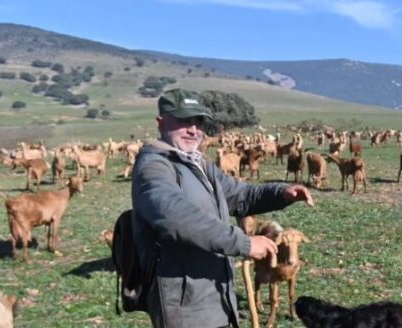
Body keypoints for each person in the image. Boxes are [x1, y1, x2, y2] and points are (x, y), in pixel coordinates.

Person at [131, 88, 314, 328]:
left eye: (198, 122)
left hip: (213, 291)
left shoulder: (198, 164)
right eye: (184, 121)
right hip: (184, 302)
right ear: (161, 122)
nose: (193, 129)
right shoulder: (154, 167)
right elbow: (175, 216)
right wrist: (245, 243)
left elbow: (239, 195)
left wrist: (281, 193)